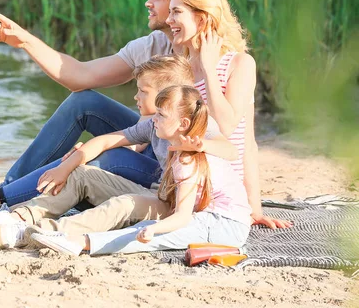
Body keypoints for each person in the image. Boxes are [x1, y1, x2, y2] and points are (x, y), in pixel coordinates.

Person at [0, 0, 289, 229]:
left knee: (107, 162)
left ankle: (15, 203)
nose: (150, 3)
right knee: (84, 102)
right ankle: (4, 195)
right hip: (158, 146)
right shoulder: (154, 47)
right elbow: (79, 75)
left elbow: (243, 140)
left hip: (186, 169)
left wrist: (251, 206)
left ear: (194, 7)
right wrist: (23, 40)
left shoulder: (233, 64)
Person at [0, 56, 237, 241]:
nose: (136, 96)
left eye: (143, 92)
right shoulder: (153, 126)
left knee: (119, 201)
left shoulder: (197, 123)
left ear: (168, 96)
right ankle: (17, 217)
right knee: (80, 173)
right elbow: (105, 140)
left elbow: (231, 150)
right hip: (160, 195)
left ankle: (36, 230)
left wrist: (200, 144)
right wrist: (66, 166)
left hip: (178, 207)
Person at [30, 85, 252, 256]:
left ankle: (80, 243)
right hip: (205, 216)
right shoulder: (177, 150)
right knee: (148, 226)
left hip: (224, 224)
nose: (153, 119)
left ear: (183, 123)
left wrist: (154, 230)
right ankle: (53, 231)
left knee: (152, 234)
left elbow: (182, 217)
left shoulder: (188, 159)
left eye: (161, 115)